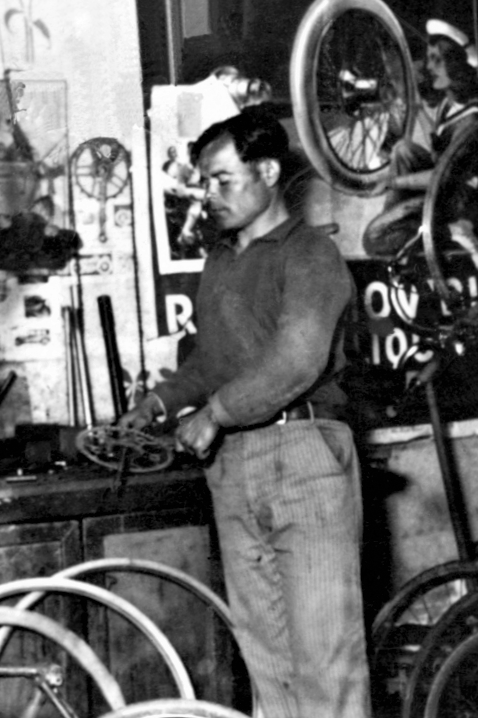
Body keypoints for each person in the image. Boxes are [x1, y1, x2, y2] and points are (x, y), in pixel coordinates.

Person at [119, 108, 370, 718]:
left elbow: (297, 361)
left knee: (326, 665)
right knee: (269, 667)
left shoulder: (311, 254)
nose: (207, 196)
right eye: (203, 182)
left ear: (266, 171)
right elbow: (213, 359)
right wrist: (162, 400)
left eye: (221, 180)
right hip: (235, 469)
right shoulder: (222, 263)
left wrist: (216, 414)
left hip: (303, 456)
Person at [363, 19, 478, 261]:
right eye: (429, 58)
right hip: (444, 189)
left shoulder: (471, 120)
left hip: (457, 202)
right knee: (403, 149)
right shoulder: (448, 104)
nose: (429, 67)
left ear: (455, 64)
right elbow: (435, 151)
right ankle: (401, 233)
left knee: (373, 238)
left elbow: (443, 177)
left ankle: (454, 230)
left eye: (436, 59)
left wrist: (393, 182)